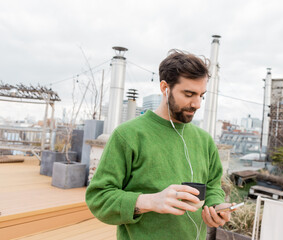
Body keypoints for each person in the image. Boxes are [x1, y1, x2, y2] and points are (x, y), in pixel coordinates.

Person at [86, 50, 233, 240]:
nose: (197, 104)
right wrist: (149, 201)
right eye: (189, 94)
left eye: (201, 95)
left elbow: (213, 188)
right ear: (165, 87)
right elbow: (98, 198)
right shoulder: (128, 135)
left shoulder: (205, 141)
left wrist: (216, 207)